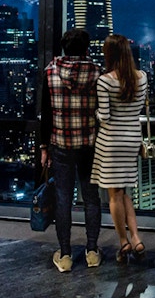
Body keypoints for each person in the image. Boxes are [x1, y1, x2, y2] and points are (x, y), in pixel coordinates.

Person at [37, 28, 104, 273]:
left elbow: (46, 114)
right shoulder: (97, 72)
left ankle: (65, 255)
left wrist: (44, 147)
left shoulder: (50, 72)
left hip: (60, 144)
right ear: (87, 49)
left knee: (63, 198)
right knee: (91, 198)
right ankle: (93, 251)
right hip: (89, 144)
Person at [90, 33, 148, 263]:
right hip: (132, 139)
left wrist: (94, 113)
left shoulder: (105, 81)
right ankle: (137, 238)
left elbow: (103, 115)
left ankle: (123, 241)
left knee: (114, 195)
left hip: (111, 142)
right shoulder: (142, 77)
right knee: (124, 192)